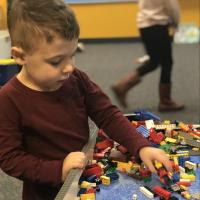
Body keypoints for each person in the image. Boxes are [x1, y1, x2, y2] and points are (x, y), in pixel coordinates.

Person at [0, 0, 172, 199]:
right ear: (20, 56)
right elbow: (10, 159)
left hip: (87, 182)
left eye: (72, 55)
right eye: (56, 61)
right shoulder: (8, 100)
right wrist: (59, 169)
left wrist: (141, 145)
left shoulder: (75, 78)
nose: (69, 67)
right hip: (47, 192)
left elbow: (107, 114)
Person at [112, 0, 184, 112]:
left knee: (153, 62)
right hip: (158, 26)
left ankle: (123, 85)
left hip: (144, 25)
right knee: (167, 63)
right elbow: (173, 7)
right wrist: (176, 23)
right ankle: (166, 102)